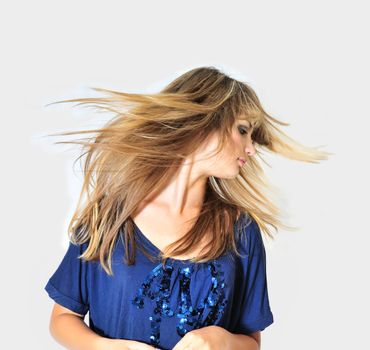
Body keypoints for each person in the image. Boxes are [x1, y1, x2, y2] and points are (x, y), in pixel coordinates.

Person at [44, 66, 330, 350]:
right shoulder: (110, 218)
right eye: (242, 130)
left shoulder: (240, 230)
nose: (251, 148)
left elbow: (251, 343)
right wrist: (110, 349)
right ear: (203, 124)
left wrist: (223, 340)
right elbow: (63, 317)